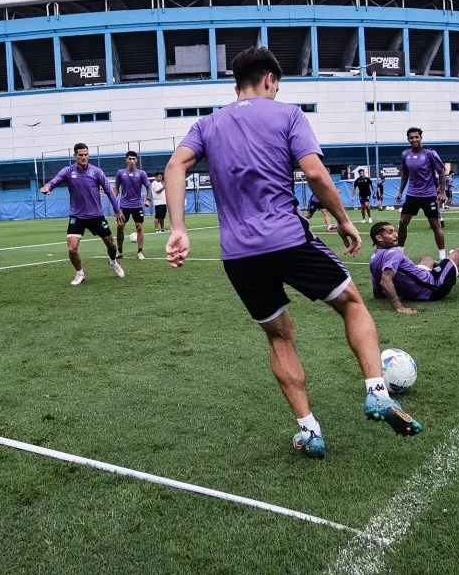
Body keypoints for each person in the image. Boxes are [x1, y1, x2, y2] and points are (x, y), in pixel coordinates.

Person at [164, 46, 421, 460]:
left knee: (279, 335)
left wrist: (179, 228)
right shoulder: (287, 114)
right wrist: (343, 220)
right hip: (288, 239)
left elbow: (174, 167)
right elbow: (315, 172)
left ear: (237, 84)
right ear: (269, 79)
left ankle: (309, 430)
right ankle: (376, 391)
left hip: (239, 255)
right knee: (352, 304)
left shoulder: (207, 124)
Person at [41, 142, 126, 285]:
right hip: (77, 216)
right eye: (81, 155)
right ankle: (80, 274)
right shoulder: (68, 171)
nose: (84, 157)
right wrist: (47, 187)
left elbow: (109, 191)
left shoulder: (96, 172)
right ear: (75, 156)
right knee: (72, 249)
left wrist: (117, 211)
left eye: (86, 155)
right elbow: (54, 181)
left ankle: (112, 262)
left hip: (96, 216)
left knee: (112, 246)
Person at [368, 221, 459, 313]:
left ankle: (452, 270)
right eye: (390, 233)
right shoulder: (394, 252)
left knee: (426, 259)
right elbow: (385, 280)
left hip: (418, 285)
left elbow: (377, 292)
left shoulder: (373, 259)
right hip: (434, 287)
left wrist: (400, 291)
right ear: (379, 237)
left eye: (394, 231)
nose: (396, 234)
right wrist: (399, 306)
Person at [395, 127, 447, 258]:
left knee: (435, 225)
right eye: (411, 137)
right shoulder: (405, 155)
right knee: (402, 223)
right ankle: (399, 255)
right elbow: (405, 174)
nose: (414, 139)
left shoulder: (430, 153)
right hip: (412, 194)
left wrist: (442, 192)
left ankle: (442, 257)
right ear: (408, 139)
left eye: (416, 137)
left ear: (421, 138)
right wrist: (400, 191)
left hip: (429, 195)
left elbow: (441, 171)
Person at [114, 151, 153, 259]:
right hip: (124, 205)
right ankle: (119, 251)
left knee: (139, 227)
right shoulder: (120, 173)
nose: (131, 161)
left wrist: (148, 200)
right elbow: (116, 188)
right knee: (120, 227)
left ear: (136, 160)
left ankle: (140, 252)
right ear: (126, 160)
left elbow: (149, 187)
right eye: (129, 159)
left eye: (133, 159)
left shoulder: (141, 173)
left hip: (137, 205)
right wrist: (114, 199)